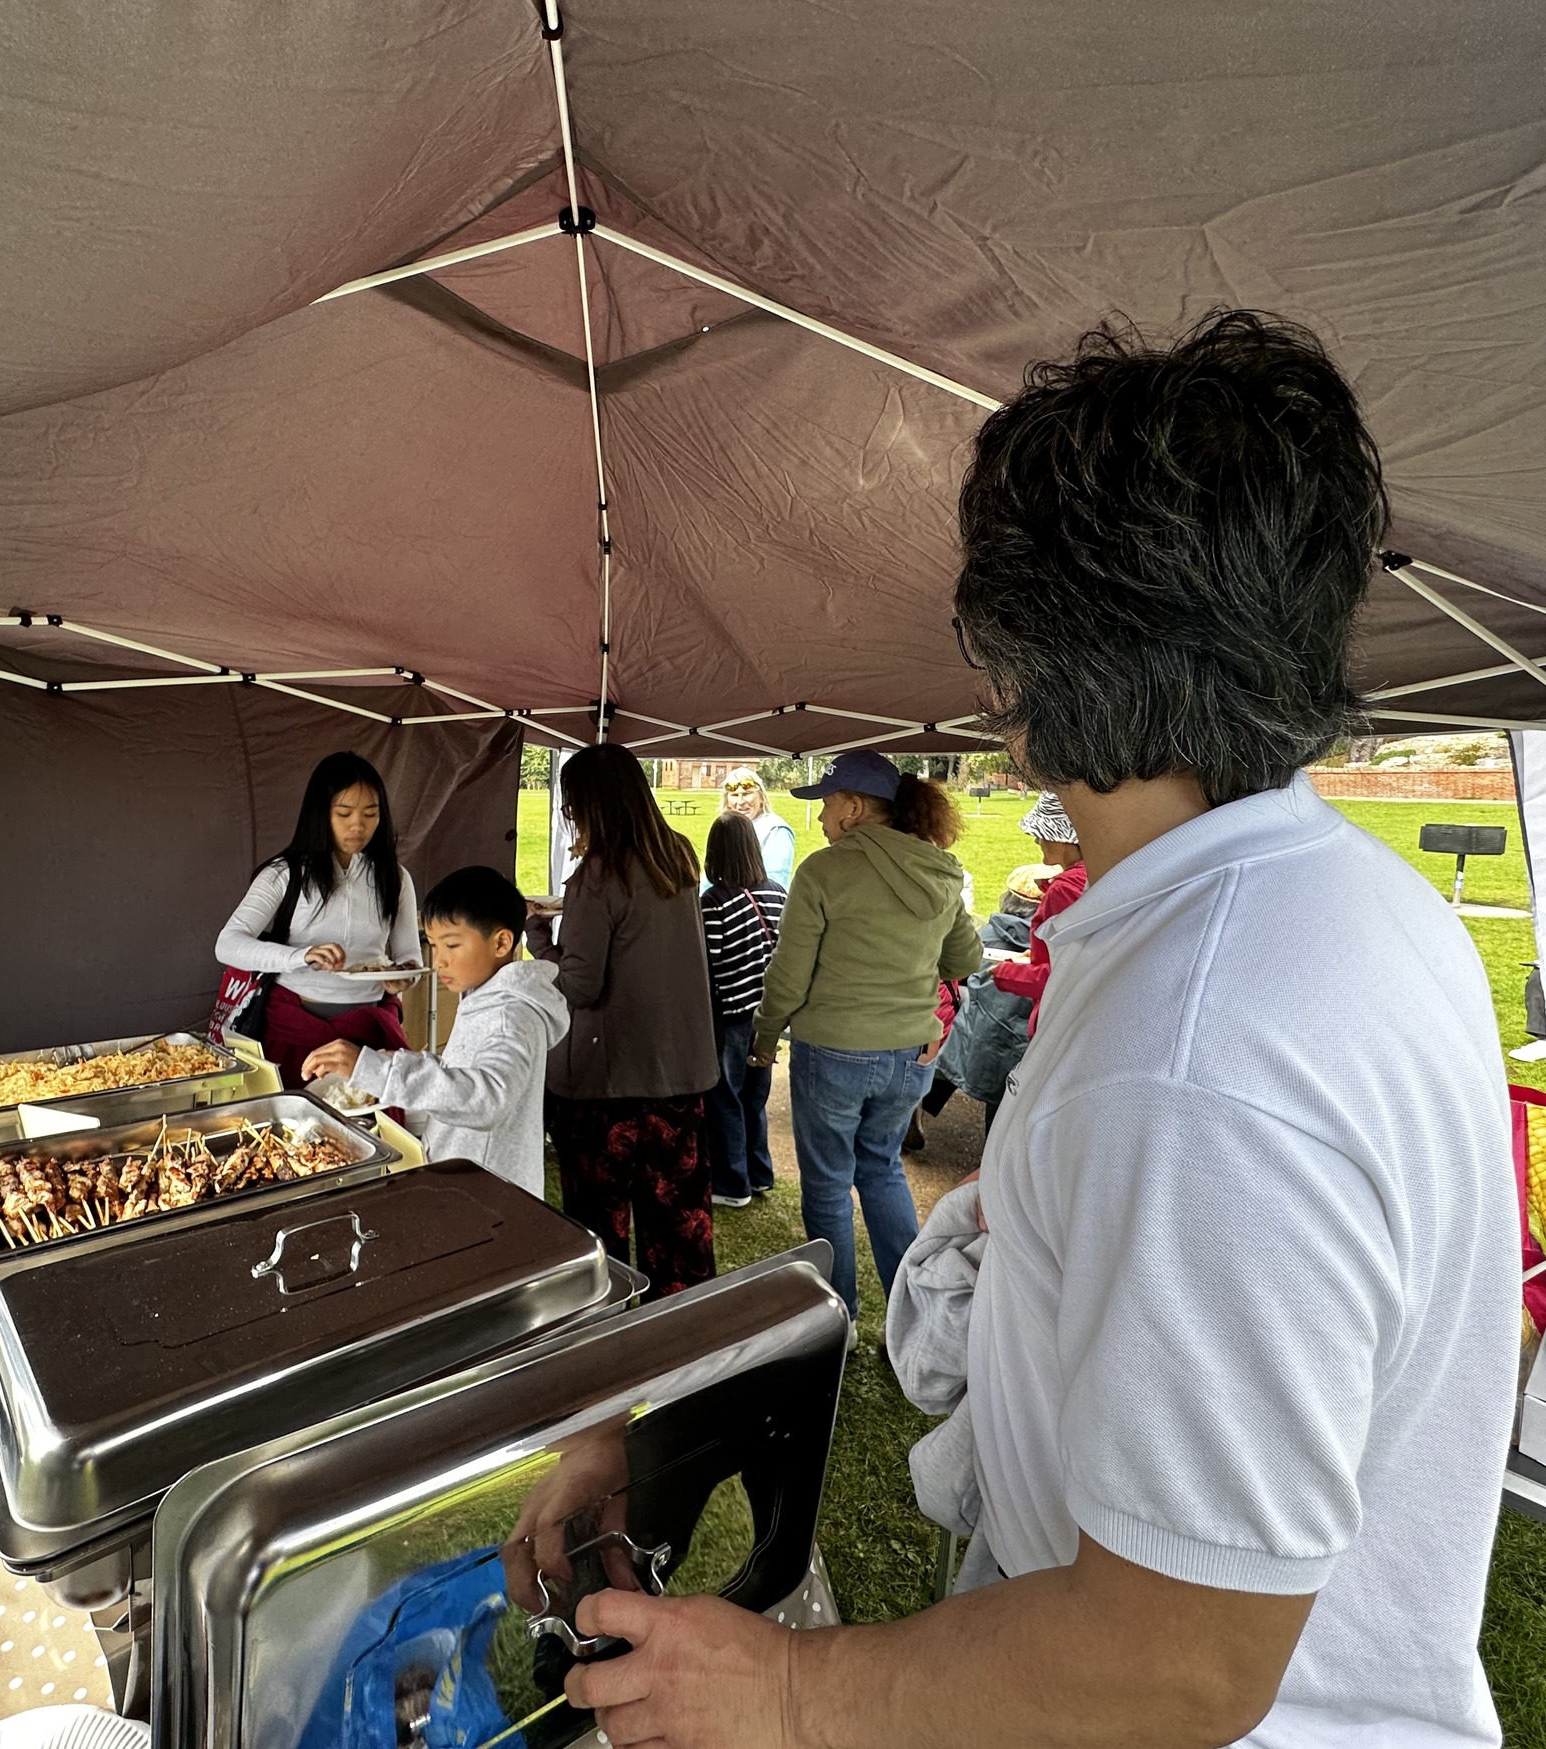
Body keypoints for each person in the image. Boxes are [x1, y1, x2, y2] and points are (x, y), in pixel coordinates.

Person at [560, 314, 1515, 1749]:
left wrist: (789, 1692)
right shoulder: (1344, 902)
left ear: (1031, 664)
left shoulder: (1196, 1051)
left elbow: (1176, 1662)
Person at [749, 748, 981, 1318]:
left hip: (835, 1050)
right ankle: (915, 1317)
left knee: (828, 1184)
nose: (821, 818)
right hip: (910, 1056)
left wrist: (764, 1036)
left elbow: (788, 972)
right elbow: (965, 959)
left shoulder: (824, 870)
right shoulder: (940, 869)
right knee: (882, 1170)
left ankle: (840, 1316)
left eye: (827, 804)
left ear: (853, 808)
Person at [526, 744, 719, 1297]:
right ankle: (682, 1330)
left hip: (606, 1087)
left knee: (599, 1237)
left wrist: (538, 938)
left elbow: (581, 985)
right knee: (678, 1231)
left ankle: (610, 1331)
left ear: (587, 805)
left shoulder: (597, 875)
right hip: (680, 1077)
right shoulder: (676, 857)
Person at [301, 866, 567, 1196]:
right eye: (434, 945)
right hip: (466, 1179)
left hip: (489, 1193)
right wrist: (400, 1062)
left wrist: (379, 1072)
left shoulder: (510, 1015)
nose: (439, 961)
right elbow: (466, 1071)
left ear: (501, 943)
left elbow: (488, 1099)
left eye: (452, 946)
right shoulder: (487, 996)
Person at [214, 751, 420, 1088]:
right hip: (293, 1027)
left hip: (366, 1033)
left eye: (370, 813)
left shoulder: (395, 879)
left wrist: (405, 977)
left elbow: (409, 954)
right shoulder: (285, 874)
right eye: (344, 813)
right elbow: (228, 944)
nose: (358, 825)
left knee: (368, 1117)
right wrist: (301, 956)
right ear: (320, 813)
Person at [699, 812, 786, 1207]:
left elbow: (710, 961)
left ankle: (732, 1184)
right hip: (766, 1016)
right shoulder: (778, 893)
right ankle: (760, 1173)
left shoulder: (713, 902)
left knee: (725, 1098)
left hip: (730, 1016)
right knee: (754, 1097)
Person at [989, 789, 1086, 1036]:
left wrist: (1004, 972)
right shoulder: (1096, 878)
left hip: (1059, 1024)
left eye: (1041, 833)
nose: (1036, 841)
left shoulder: (1064, 890)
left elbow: (1063, 976)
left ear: (1062, 837)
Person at [718, 766, 796, 888]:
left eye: (747, 794)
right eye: (734, 795)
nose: (741, 802)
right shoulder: (725, 828)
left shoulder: (776, 830)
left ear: (761, 797)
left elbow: (775, 881)